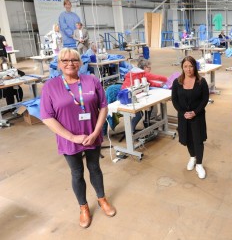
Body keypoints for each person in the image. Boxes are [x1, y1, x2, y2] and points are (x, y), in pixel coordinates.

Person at [40, 48, 116, 228]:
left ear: (80, 63)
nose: (69, 63)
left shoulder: (91, 81)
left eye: (74, 60)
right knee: (76, 173)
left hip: (92, 135)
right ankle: (83, 207)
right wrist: (72, 137)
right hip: (69, 140)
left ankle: (101, 199)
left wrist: (97, 132)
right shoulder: (50, 87)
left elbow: (103, 107)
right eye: (64, 60)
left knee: (95, 168)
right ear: (58, 64)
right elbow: (47, 117)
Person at [171, 56, 209, 179]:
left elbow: (205, 99)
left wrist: (195, 112)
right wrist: (183, 113)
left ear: (195, 67)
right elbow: (175, 100)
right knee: (187, 138)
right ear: (182, 67)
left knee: (198, 139)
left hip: (197, 116)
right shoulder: (177, 82)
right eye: (186, 66)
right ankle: (192, 157)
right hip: (183, 116)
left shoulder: (201, 82)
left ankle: (199, 164)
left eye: (191, 66)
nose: (188, 69)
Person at [121, 58, 168, 132]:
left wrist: (160, 85)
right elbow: (158, 77)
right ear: (145, 67)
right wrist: (168, 80)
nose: (150, 69)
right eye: (149, 68)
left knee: (149, 105)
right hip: (128, 96)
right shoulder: (141, 73)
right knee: (139, 113)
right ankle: (130, 131)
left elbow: (149, 82)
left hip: (129, 94)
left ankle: (146, 123)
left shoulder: (137, 73)